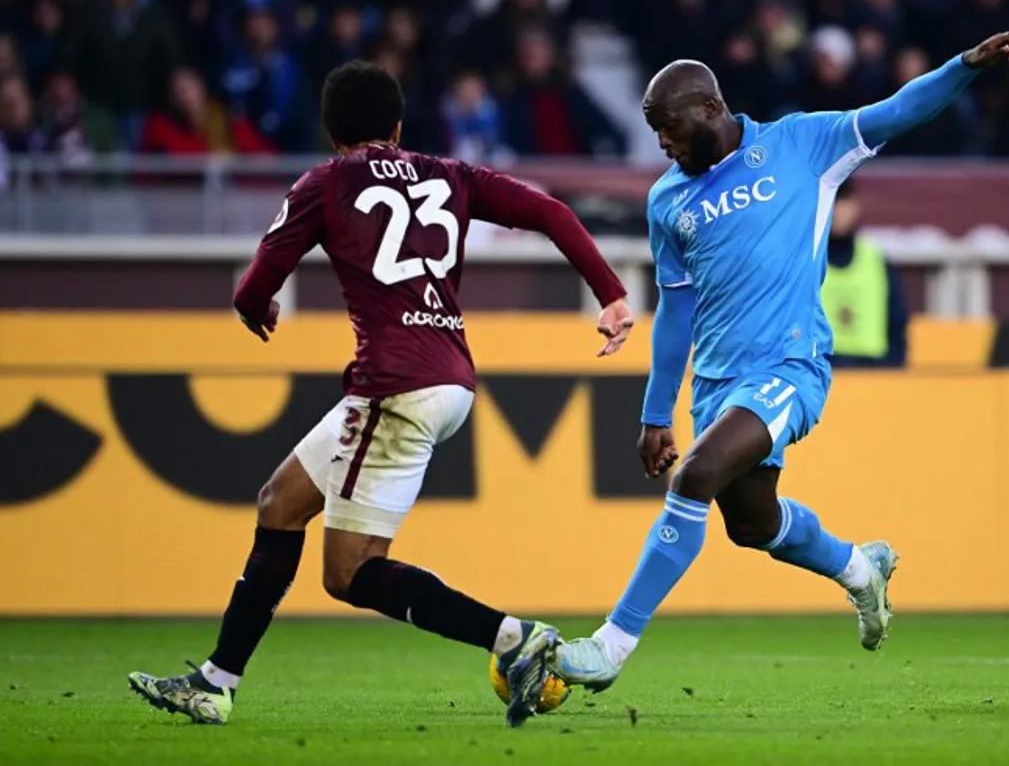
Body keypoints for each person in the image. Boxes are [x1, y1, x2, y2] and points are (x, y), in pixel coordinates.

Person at [127, 60, 635, 728]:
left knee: (350, 574)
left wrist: (258, 310)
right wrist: (613, 293)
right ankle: (216, 681)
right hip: (447, 375)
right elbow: (548, 210)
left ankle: (514, 636)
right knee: (280, 503)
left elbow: (254, 287)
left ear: (332, 133)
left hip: (394, 386)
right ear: (397, 125)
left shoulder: (326, 181)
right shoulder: (451, 176)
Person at [550, 32, 1009, 692]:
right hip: (716, 386)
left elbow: (897, 110)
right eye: (655, 132)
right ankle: (860, 569)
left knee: (695, 478)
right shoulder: (667, 200)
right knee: (752, 525)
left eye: (668, 127)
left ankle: (609, 648)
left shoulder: (804, 145)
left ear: (710, 107)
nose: (662, 143)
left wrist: (963, 67)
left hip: (788, 367)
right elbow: (677, 310)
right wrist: (656, 412)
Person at [822, 179, 909, 368]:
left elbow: (897, 325)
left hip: (874, 373)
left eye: (844, 200)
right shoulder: (805, 261)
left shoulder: (876, 260)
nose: (838, 210)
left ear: (856, 205)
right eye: (833, 201)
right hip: (822, 371)